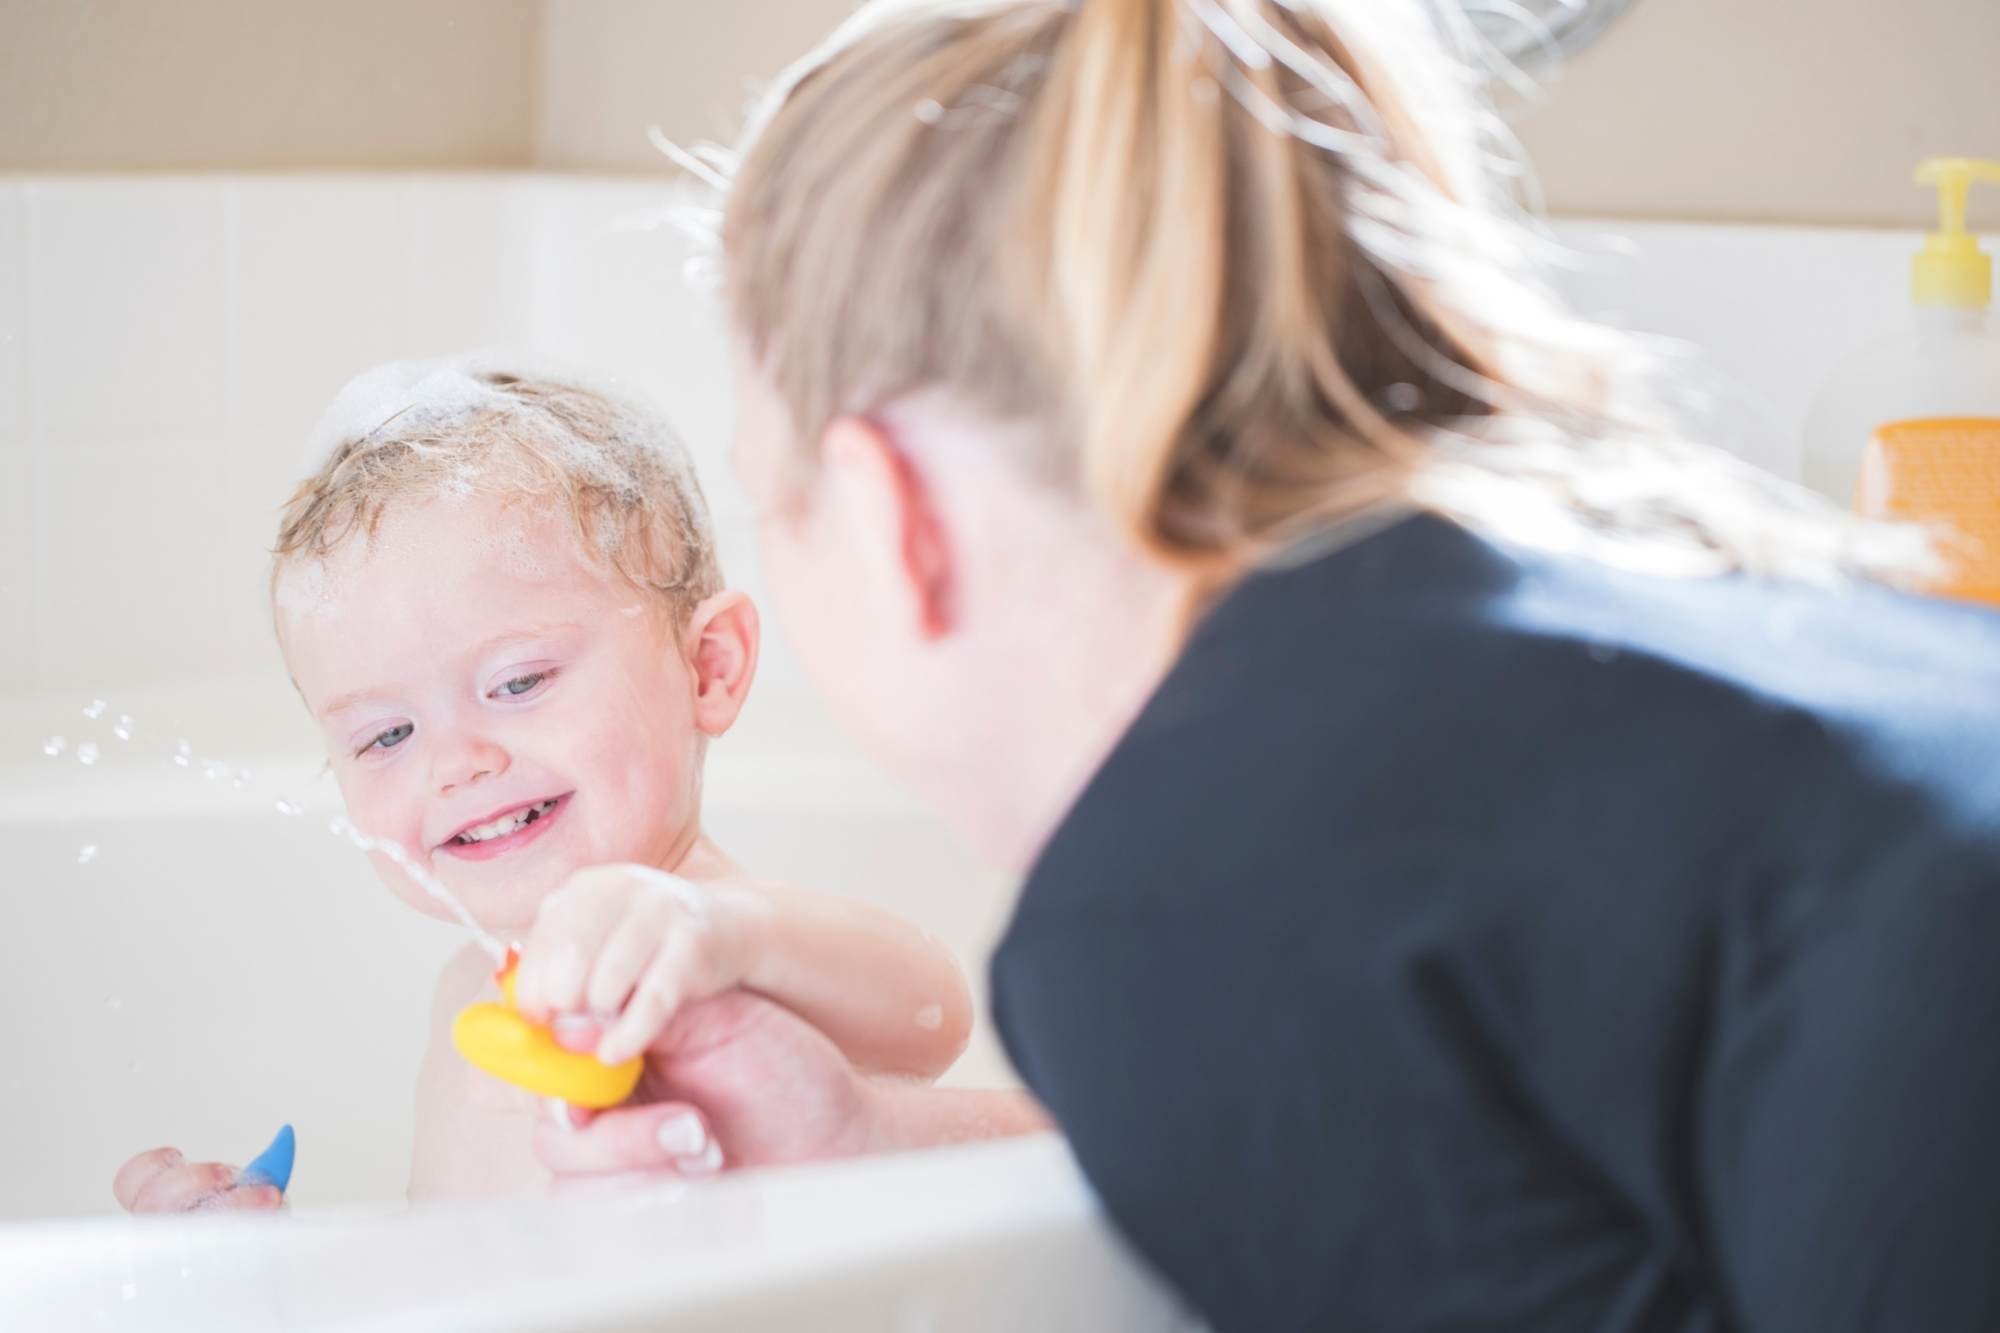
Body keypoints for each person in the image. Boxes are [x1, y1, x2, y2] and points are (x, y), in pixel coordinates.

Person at [548, 1, 2000, 1328]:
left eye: (770, 498)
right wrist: (864, 1150)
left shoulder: (1174, 894)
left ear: (890, 519)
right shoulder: (1661, 625)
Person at [109, 358, 976, 1213]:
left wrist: (725, 934)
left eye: (519, 682)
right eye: (386, 735)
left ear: (707, 667)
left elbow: (935, 1010)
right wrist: (252, 1269)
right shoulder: (466, 988)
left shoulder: (713, 939)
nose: (457, 762)